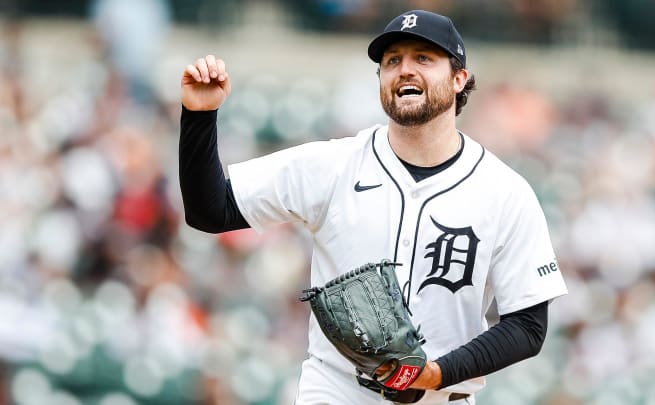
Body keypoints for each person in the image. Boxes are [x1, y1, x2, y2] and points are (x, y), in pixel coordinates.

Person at [179, 9, 568, 405]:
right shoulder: (334, 165)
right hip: (336, 390)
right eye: (392, 61)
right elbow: (210, 211)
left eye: (423, 58)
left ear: (458, 79)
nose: (404, 69)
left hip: (443, 397)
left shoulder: (504, 192)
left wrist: (437, 374)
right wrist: (199, 115)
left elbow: (528, 326)